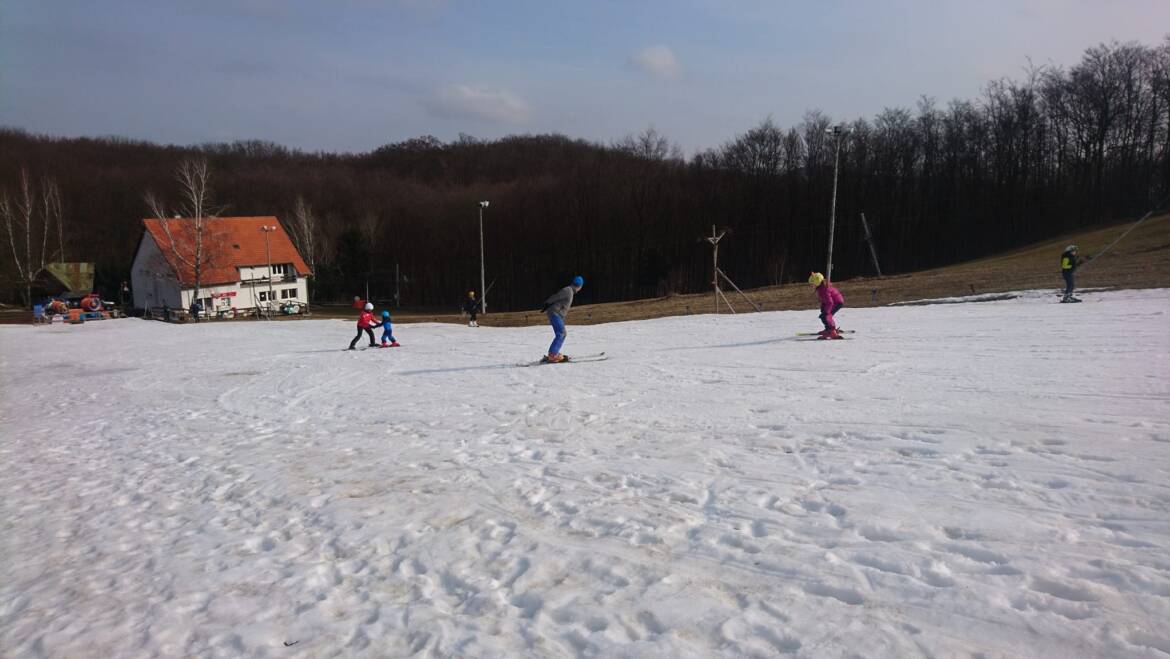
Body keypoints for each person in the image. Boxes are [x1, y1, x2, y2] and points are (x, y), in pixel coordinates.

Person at [540, 276, 584, 362]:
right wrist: (547, 303)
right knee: (561, 333)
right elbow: (557, 296)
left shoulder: (570, 291)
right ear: (580, 286)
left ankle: (553, 353)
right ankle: (553, 355)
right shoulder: (568, 290)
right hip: (555, 313)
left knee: (561, 333)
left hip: (557, 314)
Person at [808, 272, 844, 339]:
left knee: (827, 316)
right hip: (831, 302)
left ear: (817, 283)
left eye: (812, 284)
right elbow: (825, 300)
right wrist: (823, 307)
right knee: (824, 315)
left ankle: (832, 331)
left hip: (836, 302)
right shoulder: (821, 288)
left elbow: (830, 302)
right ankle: (828, 329)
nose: (811, 286)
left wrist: (826, 311)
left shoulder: (824, 289)